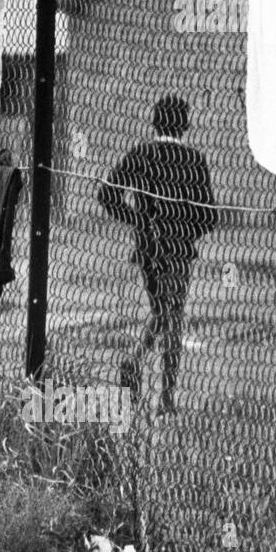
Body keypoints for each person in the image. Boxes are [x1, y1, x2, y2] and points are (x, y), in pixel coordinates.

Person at [97, 95, 218, 413]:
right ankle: (165, 397)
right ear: (186, 124)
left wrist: (140, 220)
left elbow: (107, 195)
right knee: (172, 317)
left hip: (148, 248)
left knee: (162, 312)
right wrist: (187, 230)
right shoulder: (193, 160)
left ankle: (133, 362)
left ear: (154, 121)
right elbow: (210, 214)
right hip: (178, 250)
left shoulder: (141, 153)